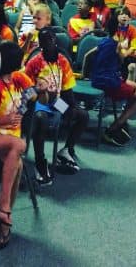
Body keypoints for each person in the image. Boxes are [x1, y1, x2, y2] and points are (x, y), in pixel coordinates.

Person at [0, 41, 35, 249]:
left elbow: (33, 94)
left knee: (18, 163)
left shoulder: (18, 79)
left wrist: (37, 92)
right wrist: (3, 120)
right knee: (20, 145)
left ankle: (4, 221)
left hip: (8, 142)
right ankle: (4, 207)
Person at [25, 27, 88, 184]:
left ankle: (66, 150)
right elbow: (25, 90)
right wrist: (38, 91)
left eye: (51, 39)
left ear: (55, 41)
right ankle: (40, 162)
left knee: (82, 115)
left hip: (57, 102)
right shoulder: (34, 63)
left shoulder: (62, 61)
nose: (48, 42)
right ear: (40, 44)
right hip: (39, 102)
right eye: (44, 40)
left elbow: (67, 87)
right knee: (41, 119)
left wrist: (72, 107)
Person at [91, 24, 136, 147]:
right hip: (109, 82)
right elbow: (122, 60)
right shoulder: (116, 45)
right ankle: (112, 129)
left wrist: (84, 74)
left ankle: (122, 119)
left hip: (106, 77)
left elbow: (87, 55)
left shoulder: (103, 42)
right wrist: (122, 49)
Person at [114, 7, 136, 82]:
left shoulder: (133, 30)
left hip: (129, 56)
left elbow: (135, 47)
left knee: (131, 67)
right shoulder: (114, 29)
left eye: (126, 14)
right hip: (116, 55)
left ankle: (130, 86)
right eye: (121, 14)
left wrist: (125, 54)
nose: (124, 16)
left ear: (129, 18)